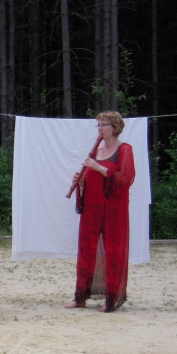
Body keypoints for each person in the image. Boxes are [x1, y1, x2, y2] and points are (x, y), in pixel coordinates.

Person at [65, 111, 135, 312]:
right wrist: (80, 182)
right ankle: (80, 297)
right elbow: (91, 180)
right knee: (86, 250)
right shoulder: (97, 149)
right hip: (92, 209)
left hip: (113, 210)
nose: (100, 129)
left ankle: (111, 299)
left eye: (104, 125)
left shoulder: (124, 149)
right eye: (99, 125)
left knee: (113, 251)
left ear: (115, 127)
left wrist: (99, 168)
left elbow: (126, 178)